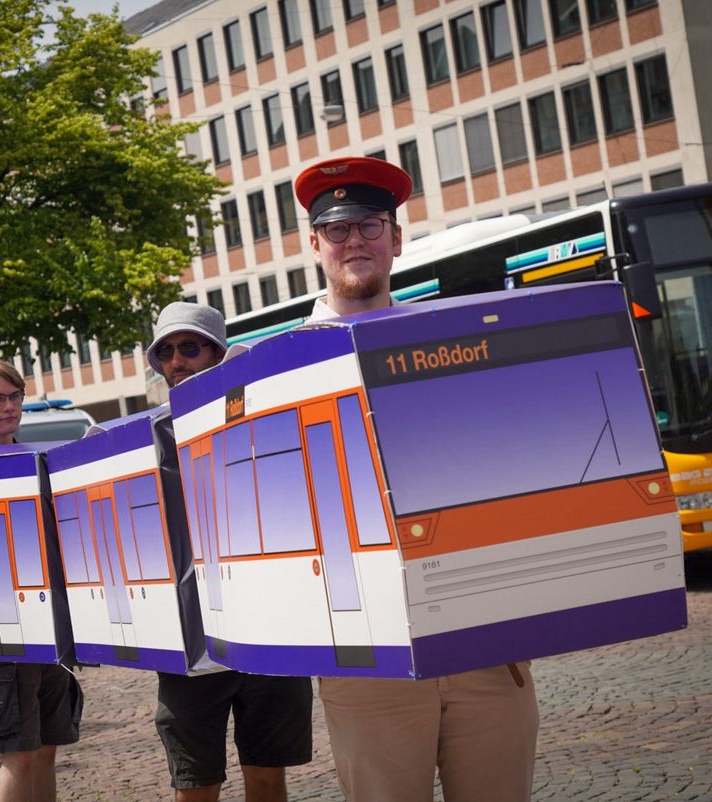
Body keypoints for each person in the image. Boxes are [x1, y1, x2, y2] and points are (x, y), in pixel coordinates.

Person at [293, 156, 539, 802]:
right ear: (312, 244)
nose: (355, 241)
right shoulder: (279, 373)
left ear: (396, 239)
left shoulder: (452, 345)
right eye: (337, 229)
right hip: (369, 658)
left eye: (370, 225)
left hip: (482, 641)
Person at [145, 302, 314, 802]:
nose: (177, 360)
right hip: (191, 649)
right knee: (197, 788)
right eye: (167, 352)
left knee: (267, 778)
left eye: (190, 347)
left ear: (218, 355)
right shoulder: (144, 439)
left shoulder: (263, 417)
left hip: (269, 637)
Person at [0, 356, 81, 802]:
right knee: (19, 752)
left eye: (15, 396)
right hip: (3, 632)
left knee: (47, 749)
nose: (9, 406)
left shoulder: (39, 462)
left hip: (50, 628)